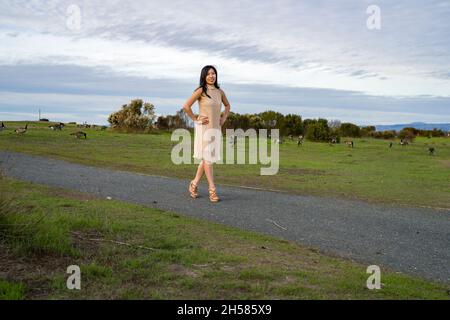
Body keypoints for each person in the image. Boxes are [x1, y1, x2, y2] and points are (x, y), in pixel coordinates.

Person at [182, 65, 231, 202]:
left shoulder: (220, 92)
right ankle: (212, 190)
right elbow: (186, 106)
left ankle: (194, 184)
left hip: (216, 129)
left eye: (213, 73)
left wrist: (223, 118)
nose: (211, 76)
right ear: (204, 76)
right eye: (209, 74)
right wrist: (195, 118)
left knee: (206, 160)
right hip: (204, 129)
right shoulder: (201, 91)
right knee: (208, 160)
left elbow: (227, 106)